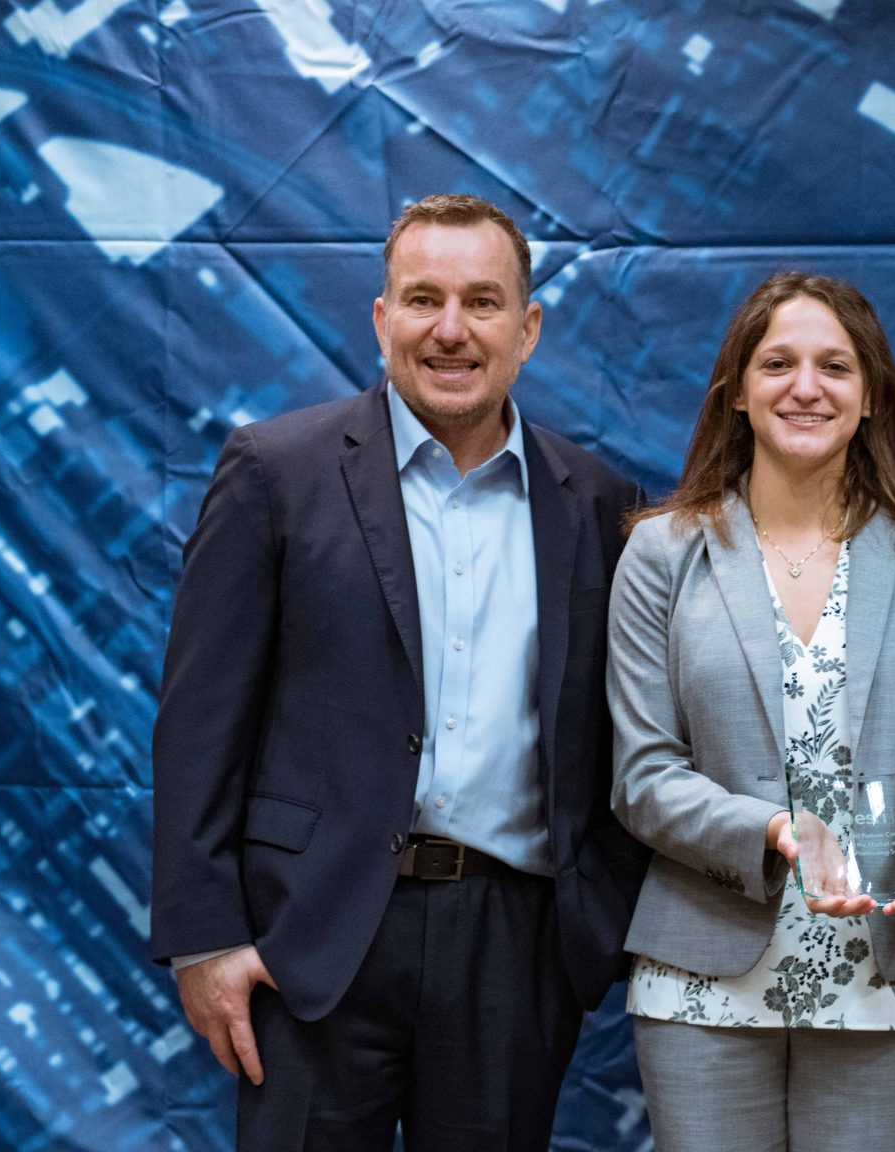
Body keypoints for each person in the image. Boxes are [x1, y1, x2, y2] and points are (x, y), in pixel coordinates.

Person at [151, 193, 647, 1150]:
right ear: (382, 320)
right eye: (423, 300)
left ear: (529, 327)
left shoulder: (596, 503)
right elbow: (199, 724)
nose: (451, 330)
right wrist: (204, 938)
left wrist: (592, 926)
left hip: (515, 946)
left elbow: (619, 733)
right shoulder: (274, 472)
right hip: (314, 939)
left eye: (483, 302)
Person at [605, 271, 895, 1152]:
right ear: (737, 392)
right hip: (702, 972)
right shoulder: (663, 552)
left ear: (871, 398)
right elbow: (641, 777)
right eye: (777, 363)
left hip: (882, 968)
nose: (806, 387)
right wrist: (778, 831)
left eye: (835, 367)